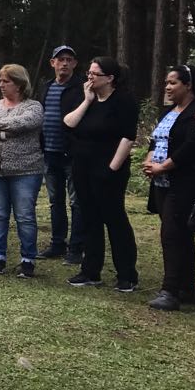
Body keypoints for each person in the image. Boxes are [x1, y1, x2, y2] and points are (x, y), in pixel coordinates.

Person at [142, 64, 195, 311]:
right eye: (166, 82)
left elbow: (192, 147)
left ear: (189, 85)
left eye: (173, 82)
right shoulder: (170, 110)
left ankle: (170, 291)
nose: (167, 87)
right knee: (180, 234)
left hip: (185, 181)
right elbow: (156, 139)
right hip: (162, 182)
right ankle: (187, 288)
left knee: (172, 234)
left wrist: (163, 166)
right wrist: (149, 160)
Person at [63, 56, 138, 290]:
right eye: (89, 73)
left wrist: (111, 169)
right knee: (89, 218)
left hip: (109, 168)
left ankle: (126, 274)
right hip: (82, 166)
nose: (90, 77)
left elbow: (128, 137)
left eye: (95, 74)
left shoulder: (123, 101)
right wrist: (87, 101)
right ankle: (90, 270)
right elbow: (69, 123)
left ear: (110, 78)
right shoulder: (87, 97)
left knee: (114, 219)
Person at [0, 64, 44, 277]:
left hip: (26, 171)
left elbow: (25, 123)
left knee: (25, 216)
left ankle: (28, 260)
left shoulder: (33, 107)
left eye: (6, 81)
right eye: (1, 80)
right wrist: (4, 133)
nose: (1, 85)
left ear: (19, 84)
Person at [37, 45, 86, 265]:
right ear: (52, 63)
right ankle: (57, 243)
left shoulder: (81, 88)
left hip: (72, 154)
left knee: (76, 202)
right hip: (50, 152)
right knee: (55, 201)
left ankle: (76, 248)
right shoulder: (46, 87)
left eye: (69, 59)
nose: (64, 63)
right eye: (60, 59)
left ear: (74, 64)